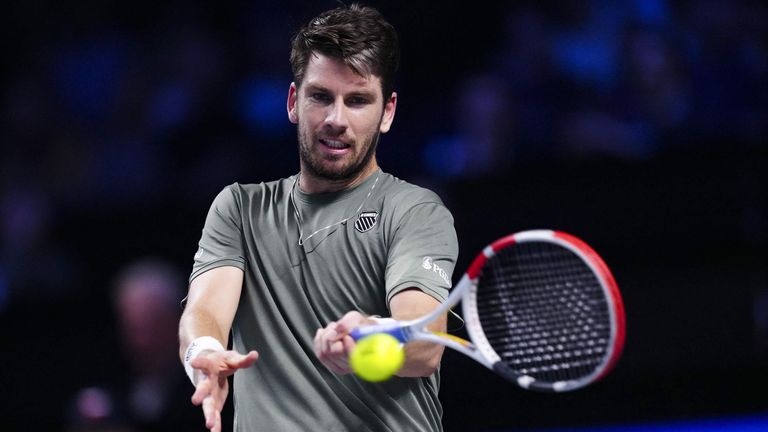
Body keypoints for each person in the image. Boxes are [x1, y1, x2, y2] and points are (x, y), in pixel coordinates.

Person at [178, 4, 458, 431]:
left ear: (387, 112)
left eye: (358, 100)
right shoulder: (239, 209)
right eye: (321, 96)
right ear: (294, 101)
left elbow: (422, 341)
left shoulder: (414, 210)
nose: (336, 120)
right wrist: (203, 349)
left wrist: (367, 333)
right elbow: (205, 310)